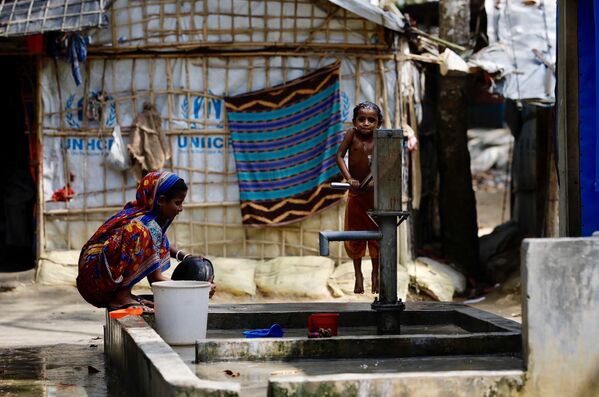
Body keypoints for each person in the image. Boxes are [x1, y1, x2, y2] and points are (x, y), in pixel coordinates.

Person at [76, 171, 209, 313]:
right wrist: (199, 288)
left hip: (94, 279)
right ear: (161, 200)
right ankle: (121, 296)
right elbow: (156, 280)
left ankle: (122, 294)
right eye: (177, 203)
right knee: (140, 232)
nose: (180, 209)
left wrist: (185, 257)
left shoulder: (140, 216)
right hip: (95, 280)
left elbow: (157, 243)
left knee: (147, 233)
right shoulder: (141, 227)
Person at [336, 102, 417, 294]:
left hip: (375, 196)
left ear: (378, 123)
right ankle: (358, 274)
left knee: (376, 236)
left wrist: (378, 180)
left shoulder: (382, 138)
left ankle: (375, 273)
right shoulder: (351, 135)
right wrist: (349, 179)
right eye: (361, 119)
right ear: (354, 121)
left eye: (371, 120)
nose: (366, 123)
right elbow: (339, 156)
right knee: (354, 234)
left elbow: (388, 163)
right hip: (356, 194)